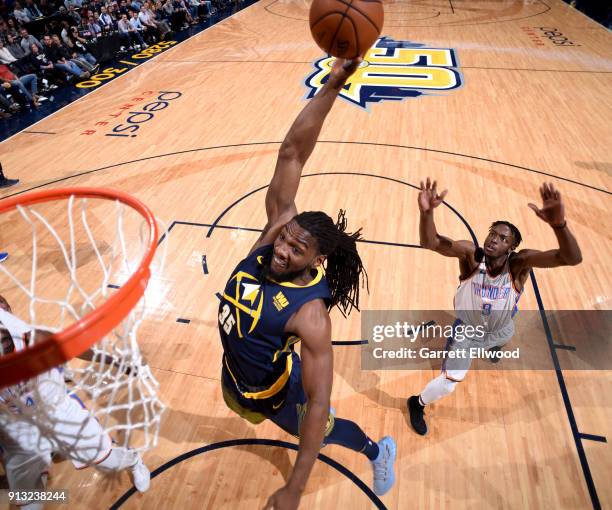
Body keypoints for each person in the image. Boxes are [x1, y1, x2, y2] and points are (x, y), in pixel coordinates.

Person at [218, 58, 396, 510]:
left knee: (328, 425)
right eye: (284, 240)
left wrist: (295, 488)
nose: (281, 250)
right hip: (237, 375)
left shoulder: (310, 315)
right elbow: (292, 154)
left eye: (295, 251)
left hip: (277, 394)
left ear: (315, 261)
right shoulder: (278, 229)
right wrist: (334, 83)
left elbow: (317, 404)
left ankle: (377, 450)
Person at [407, 179, 582, 436]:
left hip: (500, 327)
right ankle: (416, 402)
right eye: (492, 234)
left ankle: (493, 344)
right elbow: (430, 242)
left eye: (502, 238)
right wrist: (427, 214)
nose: (493, 240)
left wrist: (559, 225)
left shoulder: (519, 263)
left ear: (511, 247)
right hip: (467, 329)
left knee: (504, 329)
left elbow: (571, 258)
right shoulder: (470, 255)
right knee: (448, 385)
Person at [0, 295, 151, 508]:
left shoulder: (35, 338)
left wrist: (117, 362)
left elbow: (78, 347)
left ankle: (134, 461)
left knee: (108, 460)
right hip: (19, 422)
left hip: (58, 411)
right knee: (28, 501)